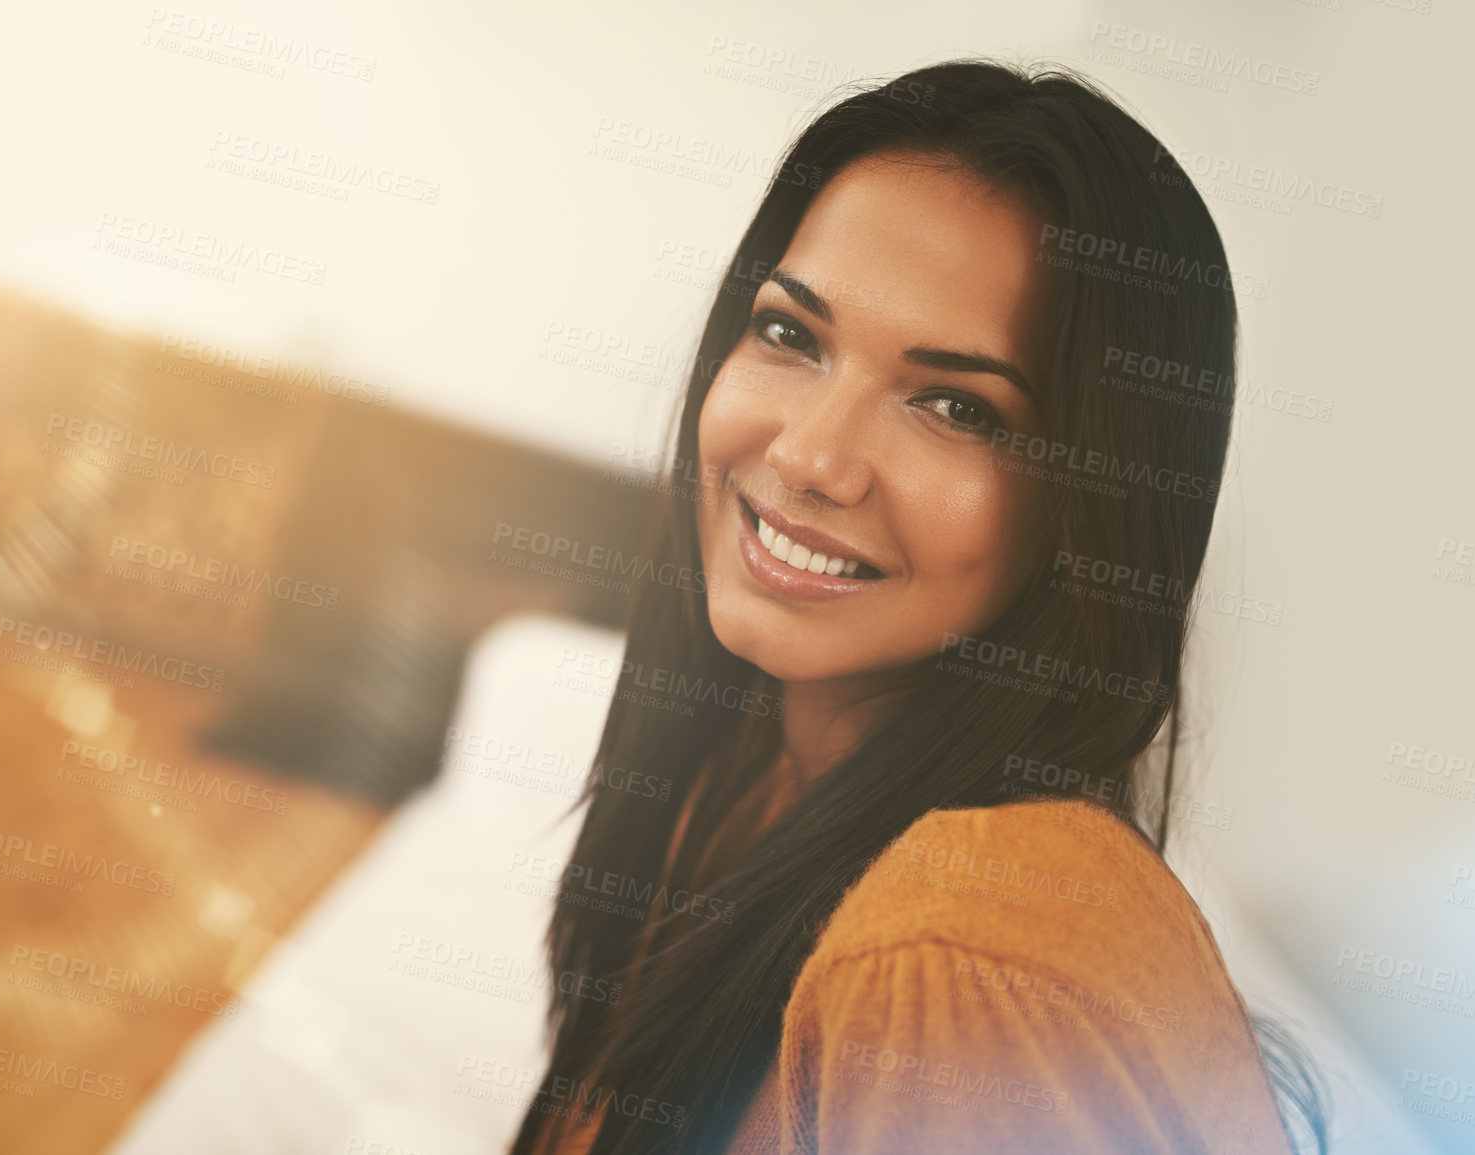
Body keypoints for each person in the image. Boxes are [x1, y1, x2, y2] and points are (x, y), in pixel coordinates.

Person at [511, 60, 1325, 1154]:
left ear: (1094, 508)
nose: (811, 457)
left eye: (955, 407)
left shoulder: (962, 960)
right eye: (792, 335)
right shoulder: (747, 776)